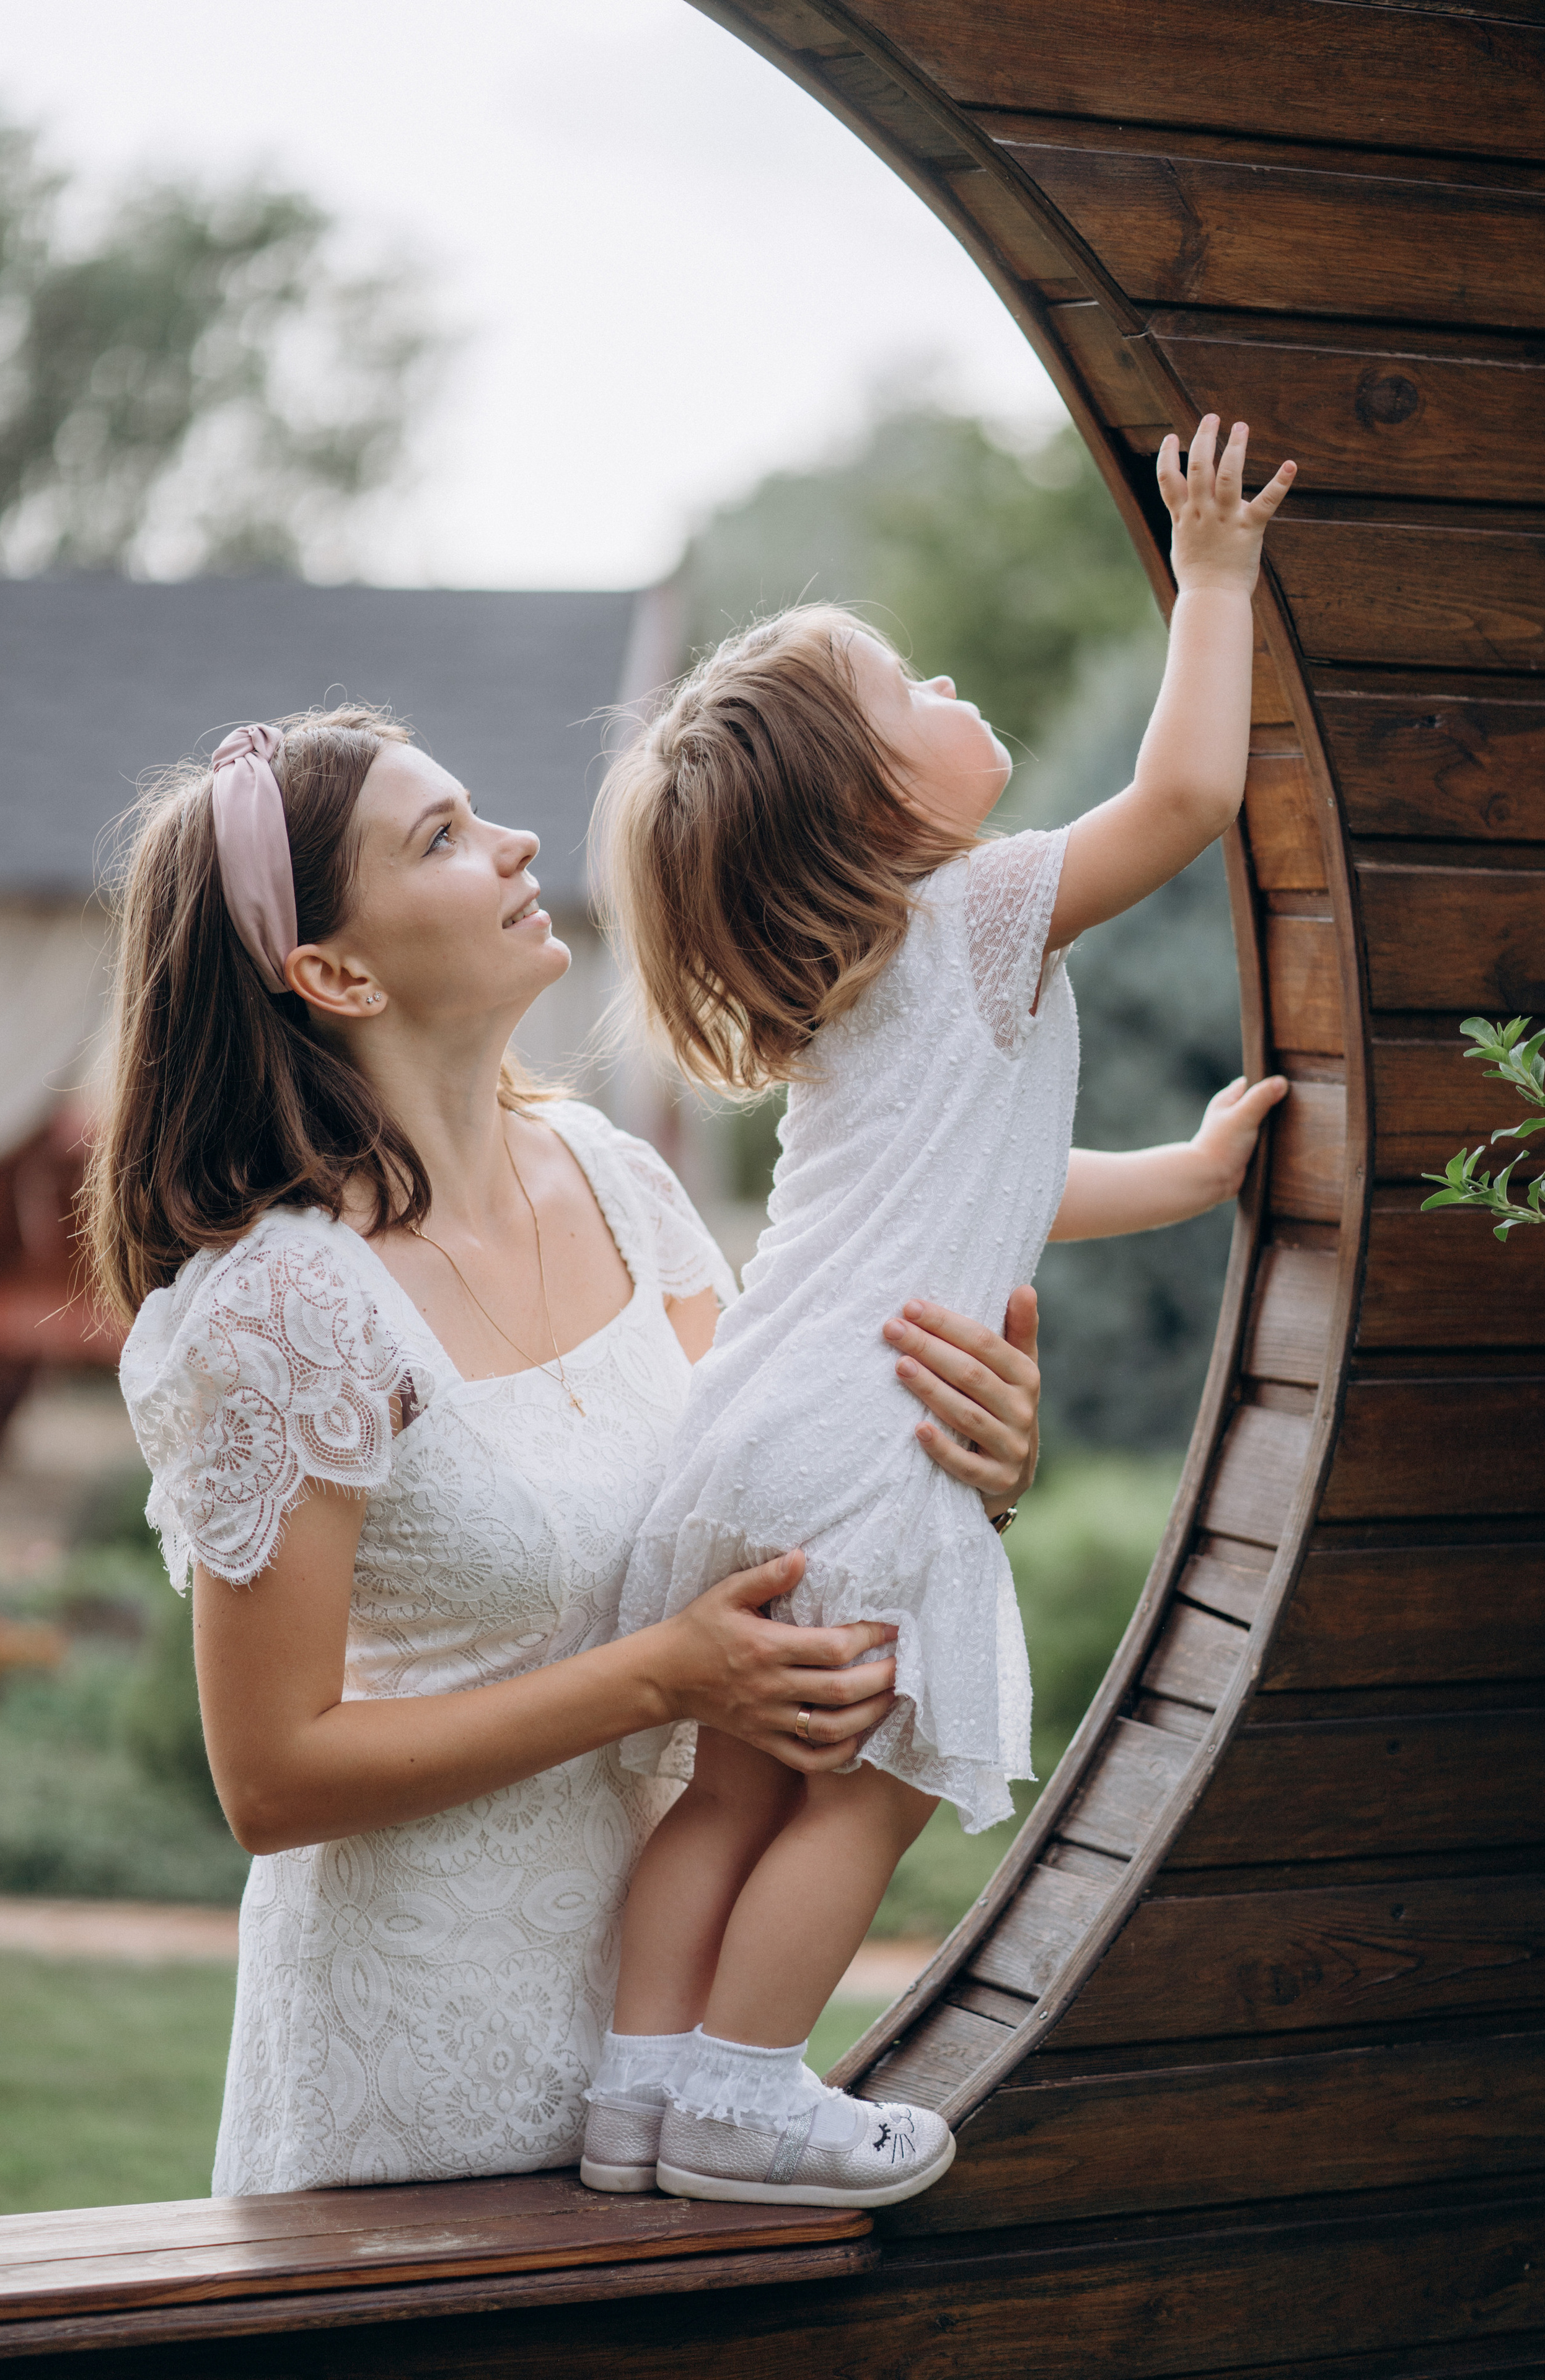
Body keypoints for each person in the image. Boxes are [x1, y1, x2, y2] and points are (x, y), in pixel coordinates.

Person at [82, 700, 1044, 2197]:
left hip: (669, 2053)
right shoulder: (280, 1312)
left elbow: (768, 1483)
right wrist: (662, 1680)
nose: (518, 840)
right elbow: (270, 1780)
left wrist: (968, 1464)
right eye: (444, 839)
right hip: (418, 2071)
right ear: (331, 971)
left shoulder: (614, 1177)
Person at [583, 415, 1295, 2210]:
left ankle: (641, 2097)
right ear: (882, 812)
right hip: (868, 1445)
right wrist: (1214, 578)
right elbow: (1189, 802)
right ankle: (747, 2094)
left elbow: (999, 1185)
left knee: (735, 1795)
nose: (950, 673)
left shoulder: (851, 1005)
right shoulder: (974, 912)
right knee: (869, 1795)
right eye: (911, 682)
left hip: (749, 1432)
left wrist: (1183, 1176)